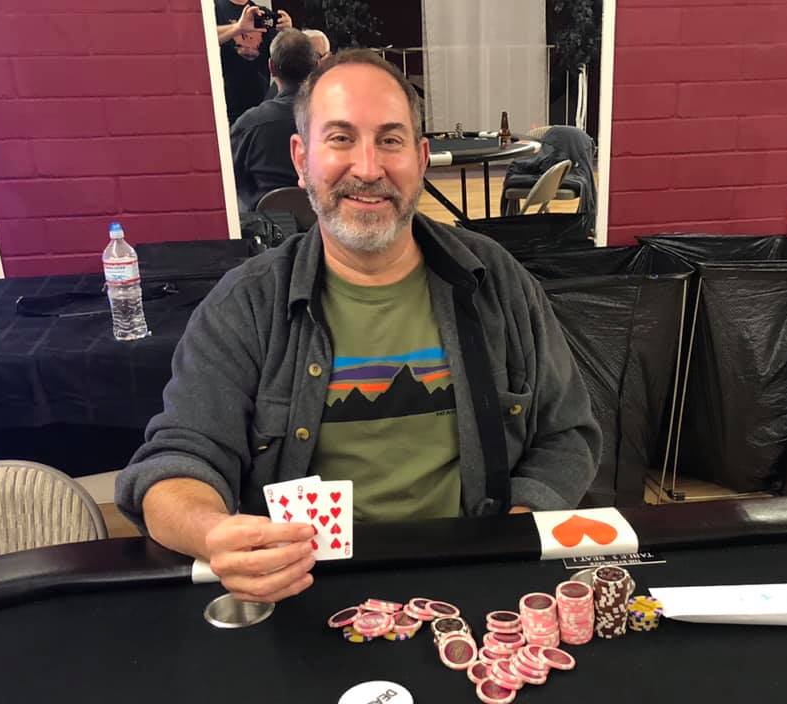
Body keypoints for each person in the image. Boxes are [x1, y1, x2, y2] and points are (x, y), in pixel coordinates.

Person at [115, 50, 600, 605]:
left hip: (473, 584)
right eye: (341, 138)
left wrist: (513, 531)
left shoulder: (498, 281)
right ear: (301, 158)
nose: (368, 169)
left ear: (421, 158)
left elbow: (569, 433)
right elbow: (176, 463)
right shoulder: (245, 304)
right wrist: (213, 533)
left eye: (390, 140)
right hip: (303, 596)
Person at [231, 29, 318, 212]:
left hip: (266, 224)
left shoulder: (248, 124)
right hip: (327, 222)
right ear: (316, 66)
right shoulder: (337, 119)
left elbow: (229, 179)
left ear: (271, 67)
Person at [215, 2, 292, 122]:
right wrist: (238, 28)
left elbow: (282, 55)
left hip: (260, 104)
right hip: (225, 105)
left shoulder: (261, 13)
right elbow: (203, 38)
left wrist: (287, 32)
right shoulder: (215, 8)